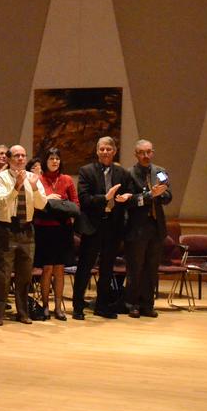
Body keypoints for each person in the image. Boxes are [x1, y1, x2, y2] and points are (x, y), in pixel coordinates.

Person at [72, 137, 132, 320]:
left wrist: (126, 197)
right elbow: (84, 199)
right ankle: (78, 306)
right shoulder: (86, 171)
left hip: (113, 227)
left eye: (108, 149)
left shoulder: (123, 173)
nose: (105, 152)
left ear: (114, 151)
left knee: (107, 269)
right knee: (85, 268)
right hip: (93, 226)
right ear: (97, 151)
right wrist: (105, 198)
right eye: (102, 149)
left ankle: (102, 306)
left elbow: (128, 193)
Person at [0, 145, 47, 325]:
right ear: (8, 159)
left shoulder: (32, 178)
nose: (21, 159)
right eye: (17, 155)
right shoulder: (1, 177)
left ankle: (23, 312)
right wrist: (16, 186)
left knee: (25, 274)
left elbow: (42, 205)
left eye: (23, 155)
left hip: (26, 229)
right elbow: (1, 203)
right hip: (6, 228)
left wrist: (35, 188)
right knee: (4, 274)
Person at [125, 139, 172, 318]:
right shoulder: (129, 174)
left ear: (153, 153)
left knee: (151, 269)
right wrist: (149, 196)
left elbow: (168, 195)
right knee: (136, 268)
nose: (146, 156)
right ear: (136, 154)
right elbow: (129, 200)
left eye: (148, 152)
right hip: (137, 228)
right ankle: (133, 304)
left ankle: (148, 304)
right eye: (142, 153)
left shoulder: (160, 172)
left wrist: (160, 195)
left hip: (156, 227)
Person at [34, 147, 79, 321]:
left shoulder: (67, 179)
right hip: (44, 229)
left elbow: (75, 204)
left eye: (57, 158)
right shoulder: (38, 179)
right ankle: (45, 306)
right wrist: (49, 200)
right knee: (47, 269)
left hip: (63, 229)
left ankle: (58, 307)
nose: (55, 161)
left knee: (60, 269)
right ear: (45, 160)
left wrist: (57, 204)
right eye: (51, 158)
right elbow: (37, 205)